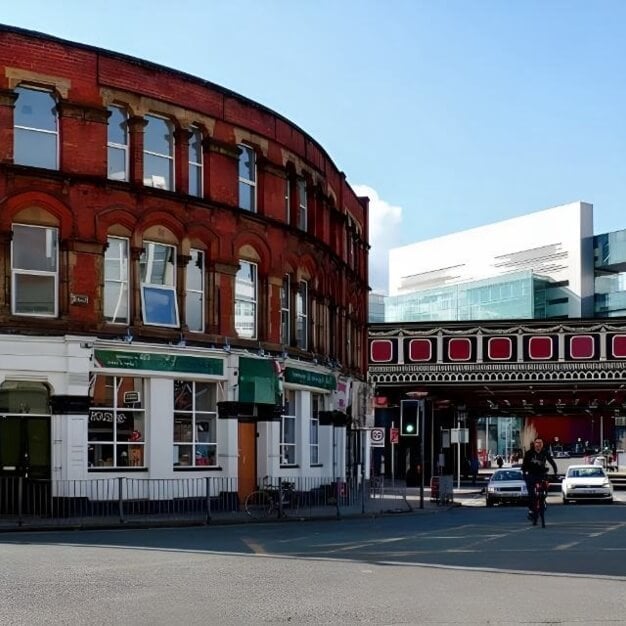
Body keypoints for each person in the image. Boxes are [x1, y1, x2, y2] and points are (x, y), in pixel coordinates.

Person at [522, 437, 557, 519]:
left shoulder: (545, 453)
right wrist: (525, 475)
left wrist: (555, 472)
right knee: (531, 494)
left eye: (540, 443)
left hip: (541, 474)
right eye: (537, 442)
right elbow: (524, 466)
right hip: (531, 474)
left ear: (542, 444)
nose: (538, 444)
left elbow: (552, 462)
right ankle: (531, 510)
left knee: (545, 487)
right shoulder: (529, 453)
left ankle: (543, 500)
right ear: (534, 444)